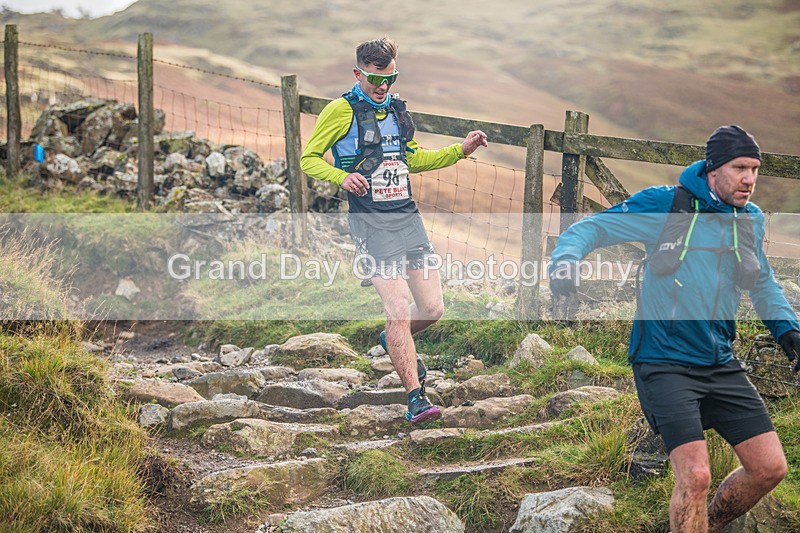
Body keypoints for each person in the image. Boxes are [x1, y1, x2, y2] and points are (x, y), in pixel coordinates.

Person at [548, 125, 800, 532]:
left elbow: (762, 281)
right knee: (696, 475)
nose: (749, 179)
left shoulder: (749, 219)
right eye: (739, 168)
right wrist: (566, 262)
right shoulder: (667, 205)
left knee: (770, 468)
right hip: (663, 362)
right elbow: (591, 228)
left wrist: (788, 330)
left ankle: (707, 525)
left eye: (755, 169)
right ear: (713, 168)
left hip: (719, 360)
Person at [300, 37, 488, 424]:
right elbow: (308, 158)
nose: (382, 86)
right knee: (399, 309)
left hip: (408, 218)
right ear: (358, 74)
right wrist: (341, 177)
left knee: (432, 309)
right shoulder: (340, 111)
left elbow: (412, 159)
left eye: (390, 78)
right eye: (375, 79)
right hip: (371, 224)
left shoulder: (398, 111)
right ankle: (416, 398)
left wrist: (461, 150)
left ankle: (393, 338)